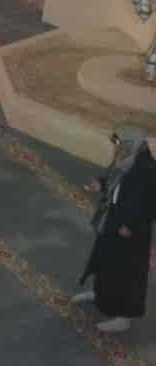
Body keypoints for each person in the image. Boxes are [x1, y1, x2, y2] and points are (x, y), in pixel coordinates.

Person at [72, 126, 156, 335]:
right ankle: (101, 295)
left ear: (132, 144)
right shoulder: (126, 160)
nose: (118, 150)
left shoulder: (147, 168)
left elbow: (150, 204)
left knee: (125, 271)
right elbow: (115, 184)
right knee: (105, 259)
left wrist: (131, 225)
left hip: (131, 229)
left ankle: (124, 316)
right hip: (113, 218)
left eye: (121, 145)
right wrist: (100, 185)